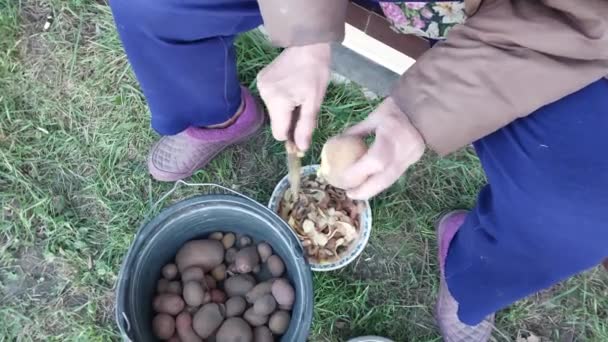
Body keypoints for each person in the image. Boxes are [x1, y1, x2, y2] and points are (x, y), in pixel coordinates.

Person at [109, 0, 608, 340]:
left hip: (532, 29)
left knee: (585, 211)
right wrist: (303, 31)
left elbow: (582, 17)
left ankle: (475, 272)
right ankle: (217, 116)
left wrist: (421, 114)